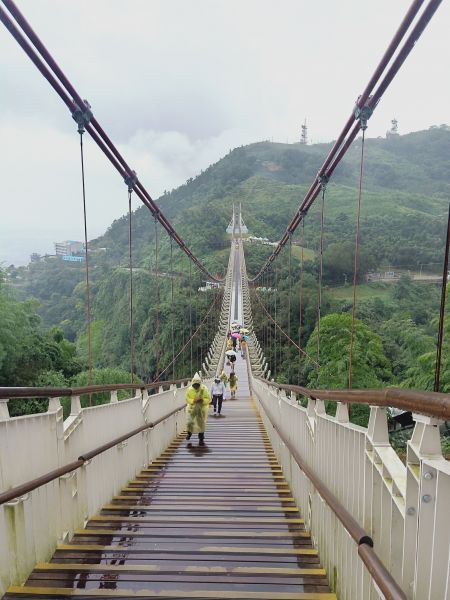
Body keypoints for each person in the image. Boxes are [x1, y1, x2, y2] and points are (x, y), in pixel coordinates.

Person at [185, 372, 211, 446]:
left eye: (197, 385)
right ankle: (189, 433)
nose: (196, 386)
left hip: (201, 408)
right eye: (194, 385)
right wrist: (193, 401)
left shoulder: (204, 389)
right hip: (192, 407)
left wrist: (202, 400)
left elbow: (208, 398)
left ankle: (201, 438)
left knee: (201, 423)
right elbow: (187, 398)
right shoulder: (189, 389)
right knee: (189, 421)